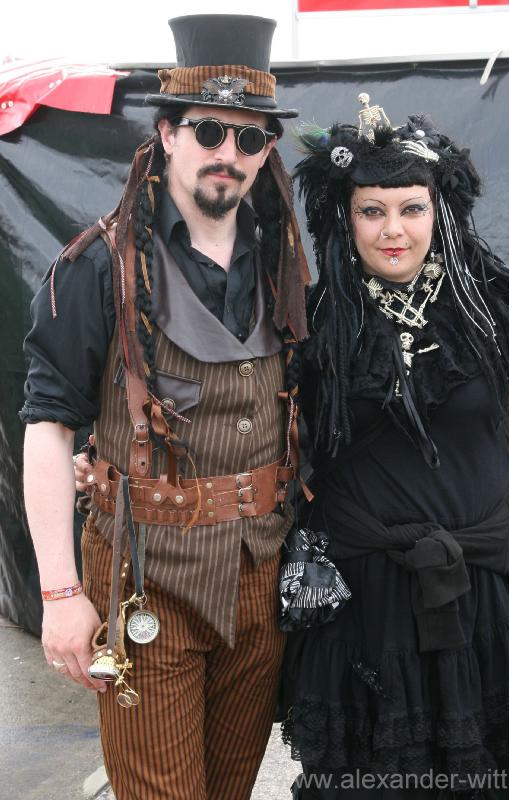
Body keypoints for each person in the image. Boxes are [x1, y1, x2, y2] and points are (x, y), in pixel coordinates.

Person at [20, 14, 309, 800]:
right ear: (167, 133)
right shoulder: (96, 267)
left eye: (249, 138)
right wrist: (59, 595)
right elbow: (47, 429)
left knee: (228, 789)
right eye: (209, 130)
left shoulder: (284, 262)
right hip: (144, 574)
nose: (228, 153)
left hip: (258, 572)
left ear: (267, 151)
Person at [279, 94, 509, 799]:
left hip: (485, 591)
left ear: (441, 211)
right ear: (344, 218)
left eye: (412, 208)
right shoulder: (310, 326)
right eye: (371, 211)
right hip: (364, 602)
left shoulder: (501, 312)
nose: (393, 230)